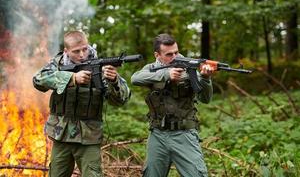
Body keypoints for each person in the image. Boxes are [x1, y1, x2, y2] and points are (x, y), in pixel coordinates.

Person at [33, 30, 130, 177]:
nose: (82, 54)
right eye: (76, 51)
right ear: (66, 51)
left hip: (89, 136)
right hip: (61, 135)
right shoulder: (58, 64)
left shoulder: (100, 66)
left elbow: (122, 99)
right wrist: (72, 78)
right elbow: (38, 80)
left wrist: (114, 81)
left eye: (85, 49)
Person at [131, 33, 214, 177]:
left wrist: (206, 78)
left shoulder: (189, 67)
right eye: (169, 54)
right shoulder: (151, 68)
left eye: (176, 52)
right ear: (157, 55)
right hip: (157, 135)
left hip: (185, 134)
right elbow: (135, 78)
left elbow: (205, 99)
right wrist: (167, 74)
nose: (175, 57)